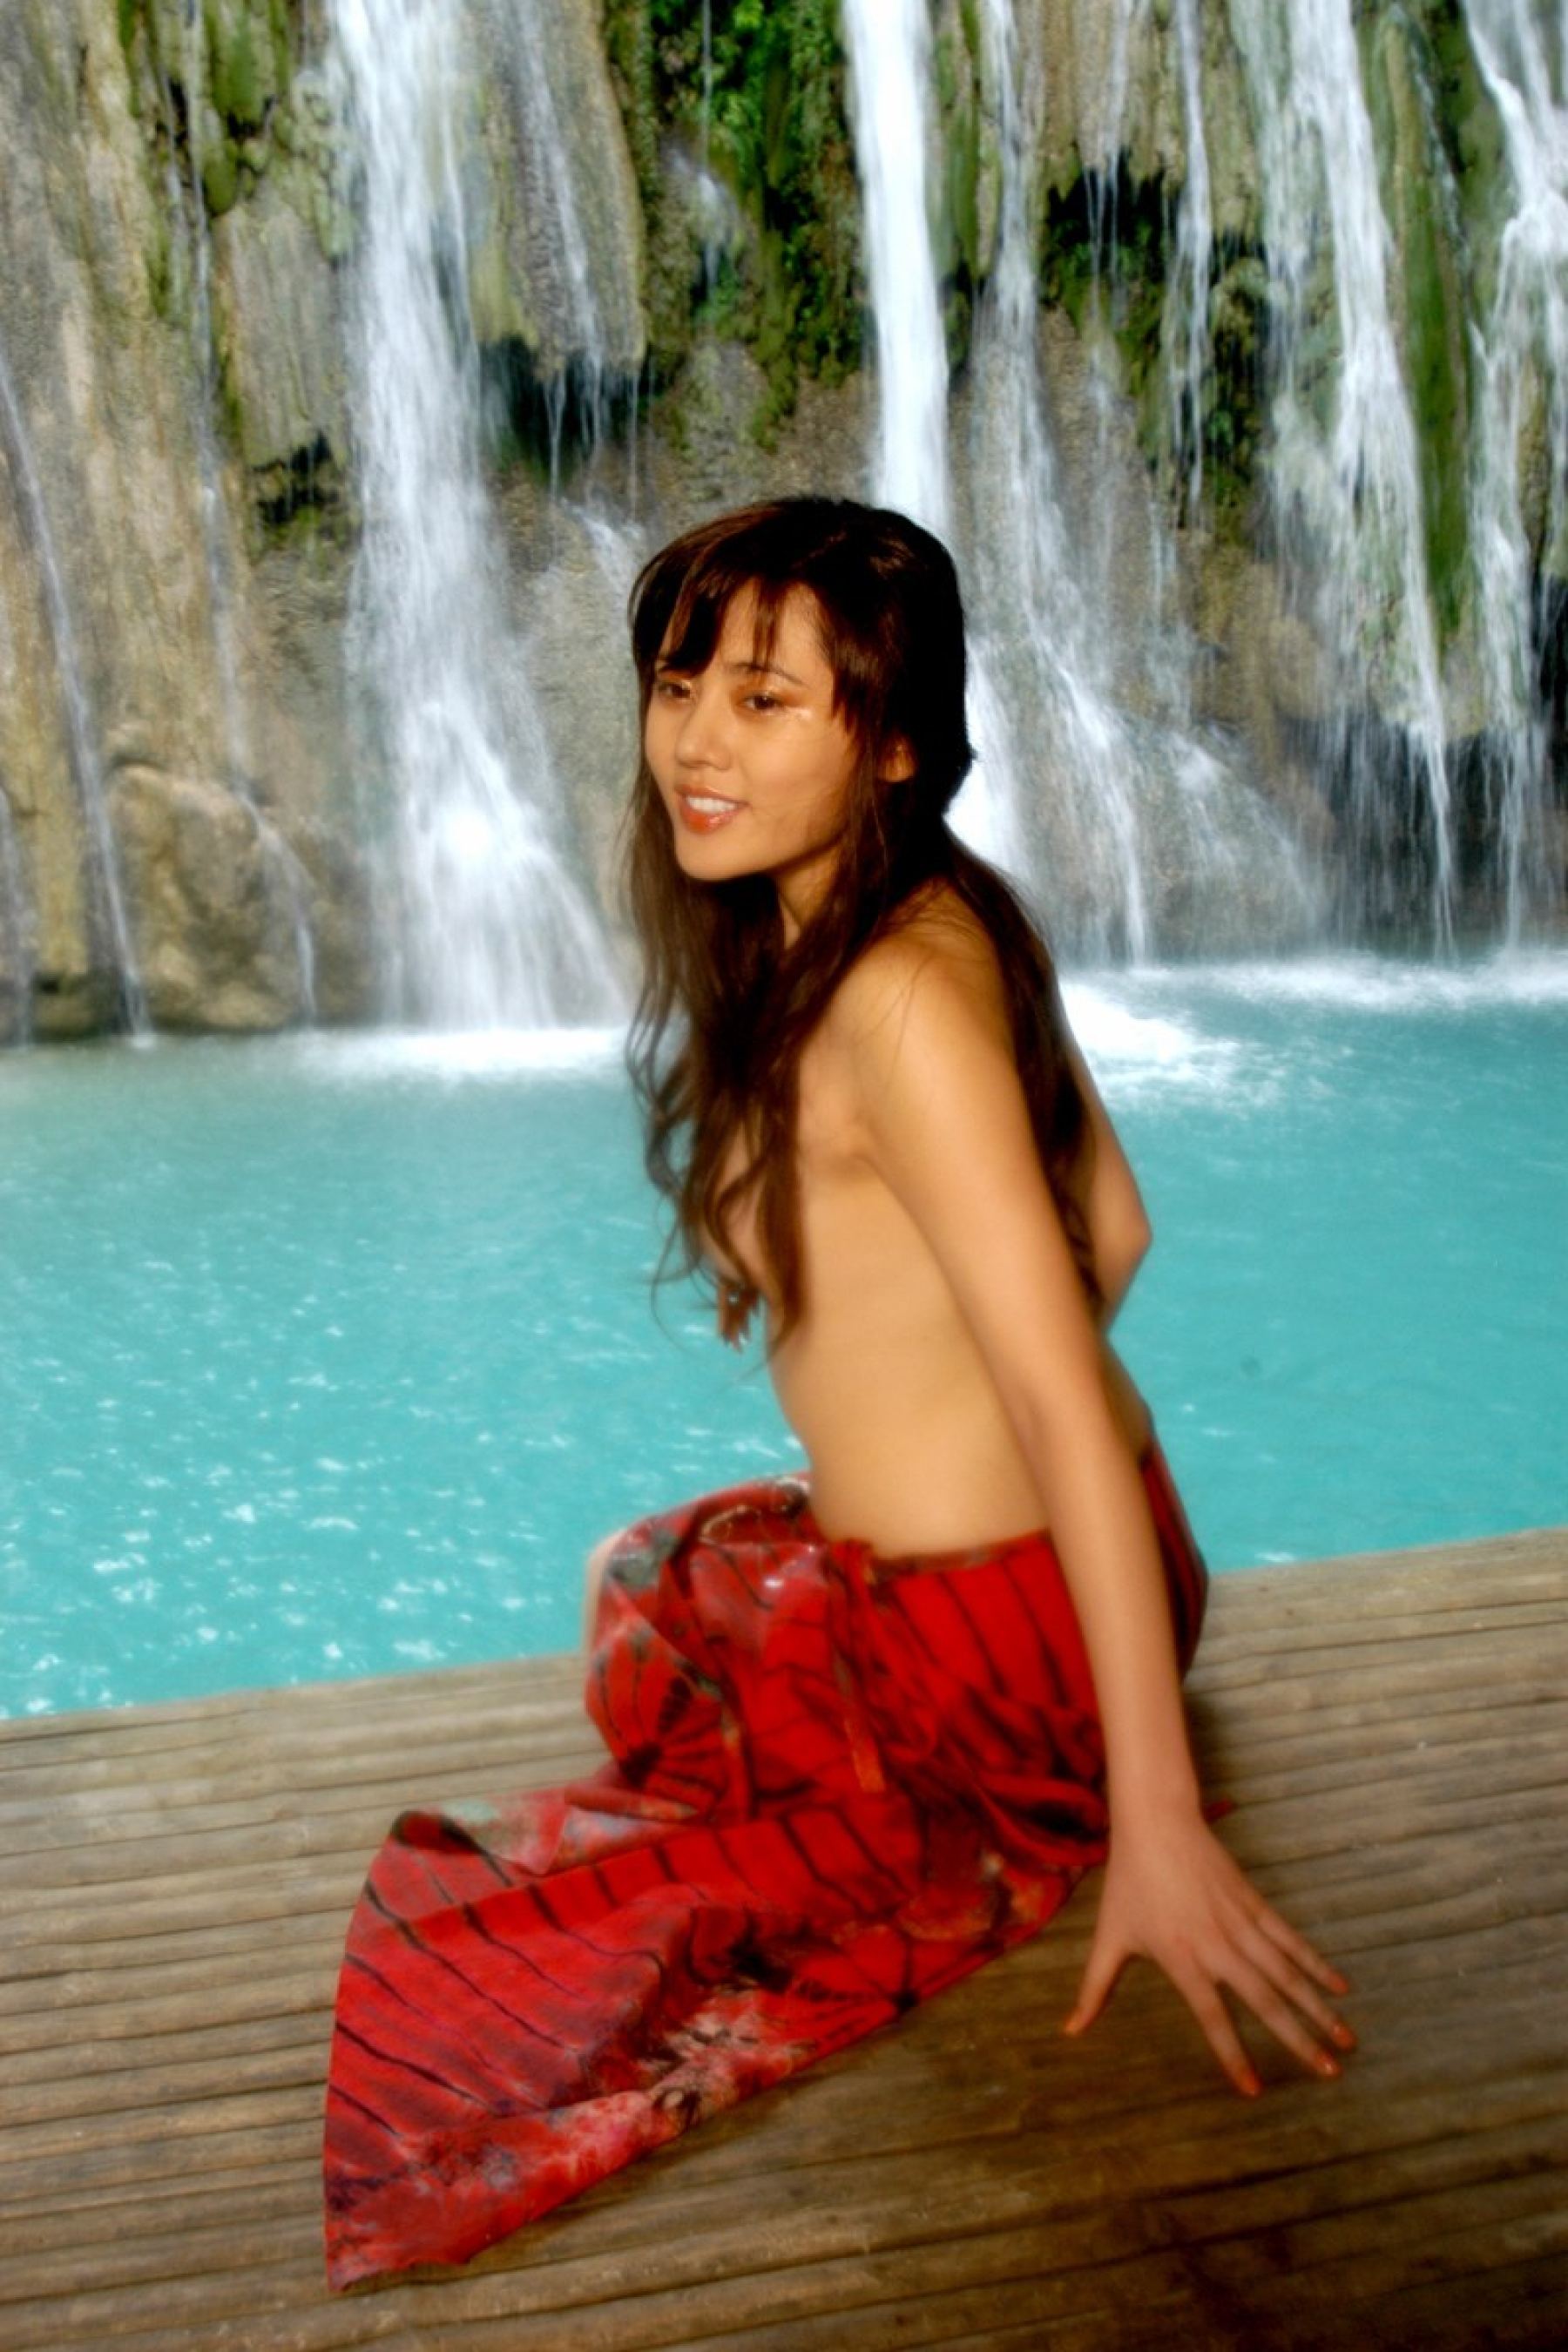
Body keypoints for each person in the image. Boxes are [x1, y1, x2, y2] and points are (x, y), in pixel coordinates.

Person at [322, 497, 1353, 2291]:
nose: (696, 745)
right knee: (646, 1576)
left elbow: (1056, 1400)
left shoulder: (896, 1007)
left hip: (989, 1642)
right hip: (1086, 1559)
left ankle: (1059, 1743)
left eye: (765, 700)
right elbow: (1118, 1225)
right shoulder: (934, 914)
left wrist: (1161, 1826)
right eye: (679, 688)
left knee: (604, 1797)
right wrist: (926, 1403)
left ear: (888, 742)